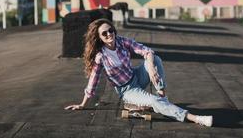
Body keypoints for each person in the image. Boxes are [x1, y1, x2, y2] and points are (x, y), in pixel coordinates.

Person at [65, 18, 213, 127]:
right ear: (99, 38)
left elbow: (147, 51)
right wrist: (82, 104)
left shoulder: (122, 41)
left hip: (136, 76)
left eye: (111, 30)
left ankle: (162, 96)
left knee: (156, 60)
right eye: (104, 33)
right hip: (127, 90)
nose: (109, 34)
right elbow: (93, 80)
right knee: (154, 102)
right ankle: (196, 118)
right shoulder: (100, 56)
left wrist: (151, 67)